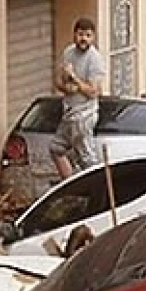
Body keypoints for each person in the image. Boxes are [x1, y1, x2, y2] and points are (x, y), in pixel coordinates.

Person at [53, 17, 104, 177]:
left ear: (93, 37)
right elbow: (58, 81)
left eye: (88, 35)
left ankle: (97, 190)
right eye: (80, 34)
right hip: (69, 112)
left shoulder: (95, 59)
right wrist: (66, 87)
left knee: (87, 159)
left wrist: (74, 77)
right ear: (74, 35)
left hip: (84, 114)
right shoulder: (68, 52)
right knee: (56, 148)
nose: (83, 39)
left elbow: (93, 91)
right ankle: (69, 187)